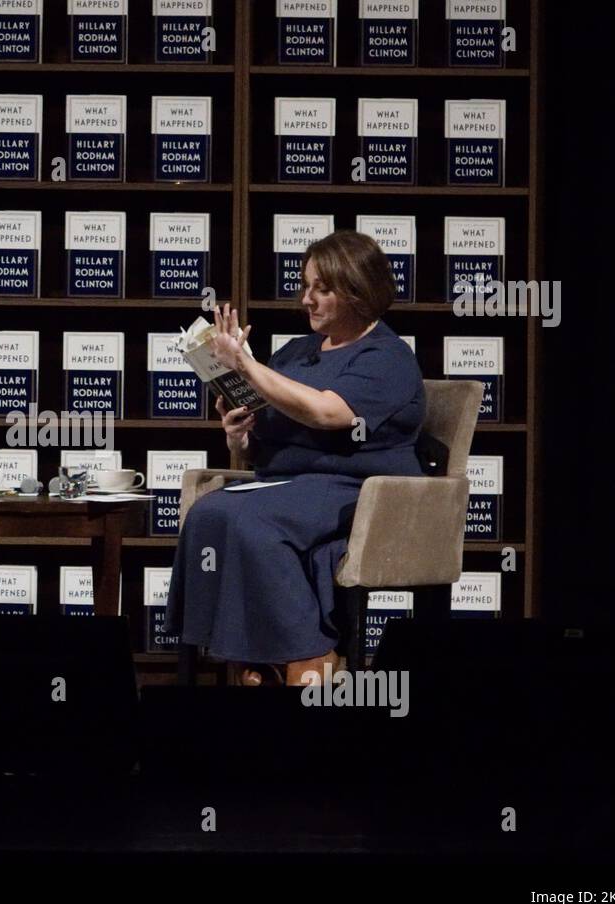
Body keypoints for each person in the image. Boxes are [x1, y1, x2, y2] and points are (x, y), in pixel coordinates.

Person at [164, 230, 426, 686]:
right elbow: (268, 432)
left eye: (321, 288)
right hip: (289, 483)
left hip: (357, 489)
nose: (306, 299)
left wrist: (246, 365)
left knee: (252, 520)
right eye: (305, 286)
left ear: (358, 291)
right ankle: (237, 659)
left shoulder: (388, 357)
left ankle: (309, 656)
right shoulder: (297, 352)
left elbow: (326, 412)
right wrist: (239, 438)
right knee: (209, 513)